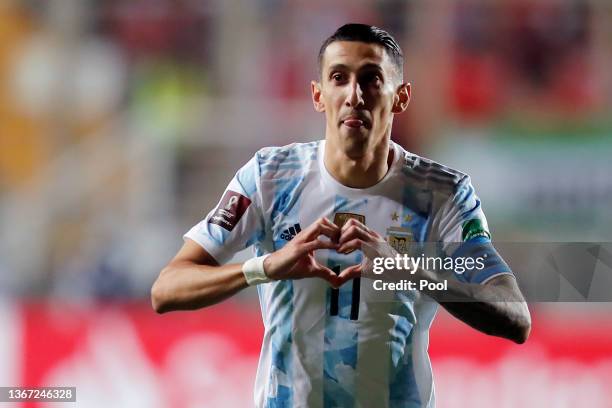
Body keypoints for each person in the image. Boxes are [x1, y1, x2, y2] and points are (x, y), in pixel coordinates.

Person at [151, 23, 531, 408]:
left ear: (400, 98)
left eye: (371, 79)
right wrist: (264, 267)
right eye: (339, 78)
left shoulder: (442, 194)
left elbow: (514, 316)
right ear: (318, 95)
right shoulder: (270, 177)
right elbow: (166, 288)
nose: (355, 95)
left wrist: (408, 270)